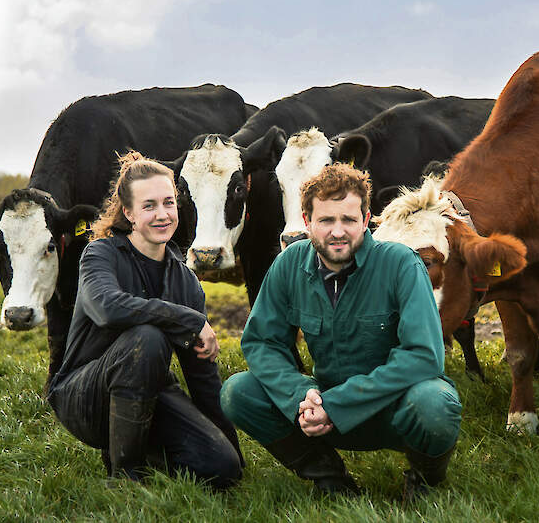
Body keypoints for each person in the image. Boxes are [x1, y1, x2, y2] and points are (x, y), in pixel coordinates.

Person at [220, 164, 462, 499]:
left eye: (348, 220)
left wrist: (338, 404)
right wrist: (300, 395)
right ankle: (330, 478)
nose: (338, 231)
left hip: (393, 409)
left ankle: (423, 479)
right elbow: (262, 342)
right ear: (307, 223)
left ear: (365, 220)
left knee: (435, 403)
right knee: (239, 391)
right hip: (319, 409)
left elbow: (424, 356)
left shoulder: (402, 264)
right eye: (326, 220)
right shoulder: (288, 264)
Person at [47, 151, 242, 489]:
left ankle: (146, 449)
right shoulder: (100, 255)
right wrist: (188, 319)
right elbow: (109, 308)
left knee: (221, 468)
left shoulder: (185, 280)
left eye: (168, 203)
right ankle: (124, 476)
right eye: (149, 205)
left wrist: (232, 451)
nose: (162, 214)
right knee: (147, 338)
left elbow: (202, 377)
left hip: (149, 390)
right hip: (84, 396)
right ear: (129, 213)